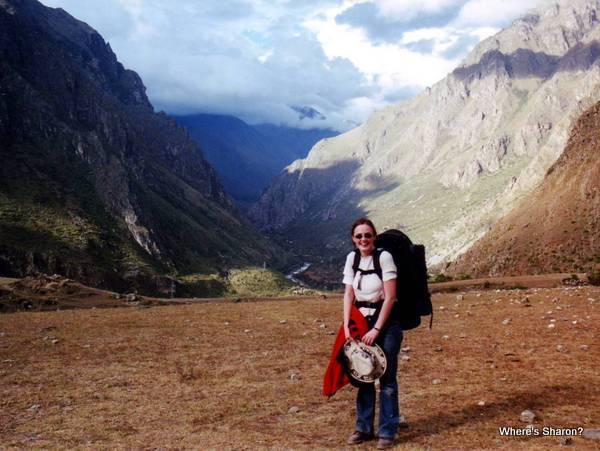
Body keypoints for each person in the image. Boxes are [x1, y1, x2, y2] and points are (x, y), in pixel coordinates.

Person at [343, 217, 403, 449]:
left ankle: (387, 431)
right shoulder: (352, 258)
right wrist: (347, 325)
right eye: (359, 236)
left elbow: (390, 297)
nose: (363, 239)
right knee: (363, 374)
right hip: (360, 322)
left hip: (386, 324)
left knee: (387, 379)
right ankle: (363, 428)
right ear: (353, 239)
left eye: (367, 235)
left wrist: (377, 328)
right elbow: (348, 294)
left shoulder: (384, 257)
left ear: (374, 237)